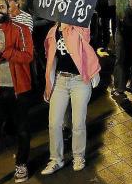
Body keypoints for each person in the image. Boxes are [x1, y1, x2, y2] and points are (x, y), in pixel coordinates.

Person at [0, 0, 33, 184]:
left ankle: (21, 164)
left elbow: (28, 56)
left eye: (1, 6)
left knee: (23, 131)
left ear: (8, 8)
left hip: (19, 90)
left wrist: (5, 51)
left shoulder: (22, 29)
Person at [41, 23, 101, 175]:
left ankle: (78, 156)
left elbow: (86, 35)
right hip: (60, 80)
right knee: (54, 123)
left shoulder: (80, 28)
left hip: (80, 81)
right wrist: (49, 83)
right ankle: (56, 159)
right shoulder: (52, 32)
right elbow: (50, 59)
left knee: (78, 122)